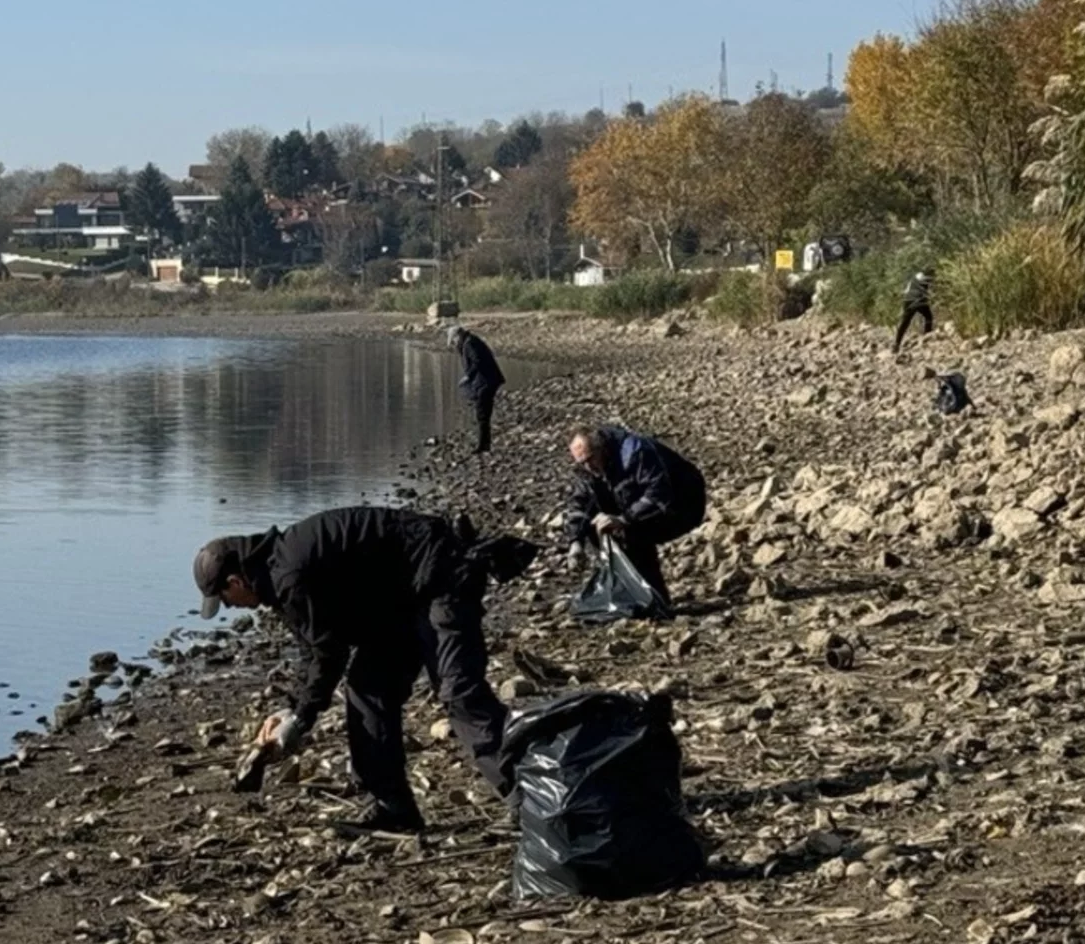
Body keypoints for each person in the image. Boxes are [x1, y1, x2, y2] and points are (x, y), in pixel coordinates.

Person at [192, 507, 536, 833]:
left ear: (235, 581)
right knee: (367, 687)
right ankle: (392, 807)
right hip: (401, 597)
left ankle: (530, 798)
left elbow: (330, 653)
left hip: (441, 573)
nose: (229, 608)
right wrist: (290, 707)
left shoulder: (288, 575)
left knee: (458, 691)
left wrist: (300, 721)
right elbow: (310, 648)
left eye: (224, 600)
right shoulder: (277, 575)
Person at [564, 425, 707, 603]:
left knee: (631, 531)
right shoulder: (589, 470)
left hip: (683, 503)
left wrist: (624, 519)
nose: (588, 466)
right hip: (634, 500)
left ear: (602, 448)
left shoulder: (635, 452)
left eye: (591, 459)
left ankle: (654, 599)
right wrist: (576, 542)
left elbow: (659, 494)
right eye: (582, 462)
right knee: (599, 526)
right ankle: (626, 589)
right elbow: (580, 503)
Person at [447, 324, 504, 453]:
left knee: (482, 414)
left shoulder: (470, 343)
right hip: (485, 380)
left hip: (487, 381)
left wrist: (468, 376)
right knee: (482, 412)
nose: (454, 345)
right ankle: (484, 444)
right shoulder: (470, 341)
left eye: (453, 341)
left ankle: (483, 446)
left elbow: (477, 361)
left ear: (457, 336)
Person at [893, 269, 934, 354]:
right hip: (918, 300)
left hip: (907, 301)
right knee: (928, 317)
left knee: (904, 323)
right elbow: (927, 290)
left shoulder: (913, 279)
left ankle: (896, 344)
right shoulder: (926, 278)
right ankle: (927, 337)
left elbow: (906, 291)